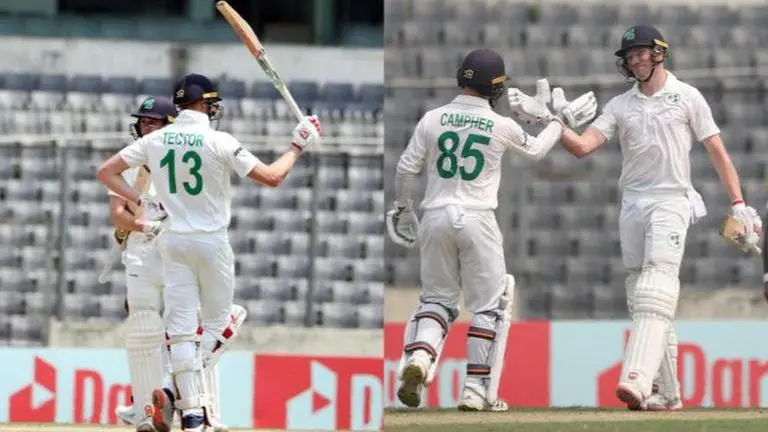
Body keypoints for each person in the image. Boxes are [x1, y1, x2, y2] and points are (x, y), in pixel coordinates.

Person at [511, 24, 762, 411]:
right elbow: (581, 147)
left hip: (671, 201)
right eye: (629, 56)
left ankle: (637, 378)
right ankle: (670, 393)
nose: (635, 60)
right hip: (633, 204)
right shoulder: (620, 106)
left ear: (659, 52)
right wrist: (551, 120)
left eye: (641, 53)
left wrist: (738, 202)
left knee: (656, 286)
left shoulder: (687, 96)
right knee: (639, 293)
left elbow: (717, 152)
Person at [96, 73, 320, 432]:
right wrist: (297, 145)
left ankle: (193, 416)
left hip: (172, 242)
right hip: (211, 243)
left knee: (183, 332)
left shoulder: (158, 140)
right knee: (222, 322)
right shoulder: (219, 140)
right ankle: (173, 393)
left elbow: (105, 172)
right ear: (205, 104)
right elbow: (273, 177)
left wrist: (146, 203)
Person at [386, 48, 596, 412]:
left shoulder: (432, 118)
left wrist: (404, 207)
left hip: (435, 215)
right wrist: (558, 122)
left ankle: (420, 358)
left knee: (436, 302)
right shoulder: (502, 125)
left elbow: (405, 168)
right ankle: (473, 389)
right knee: (487, 306)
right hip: (478, 218)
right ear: (495, 87)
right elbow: (536, 152)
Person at [106, 96, 179, 432]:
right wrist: (148, 226)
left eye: (154, 122)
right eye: (143, 122)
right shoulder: (131, 160)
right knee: (143, 329)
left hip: (178, 250)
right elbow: (119, 216)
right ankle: (144, 407)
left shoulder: (182, 157)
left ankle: (181, 401)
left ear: (170, 126)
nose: (146, 127)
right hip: (141, 250)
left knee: (181, 330)